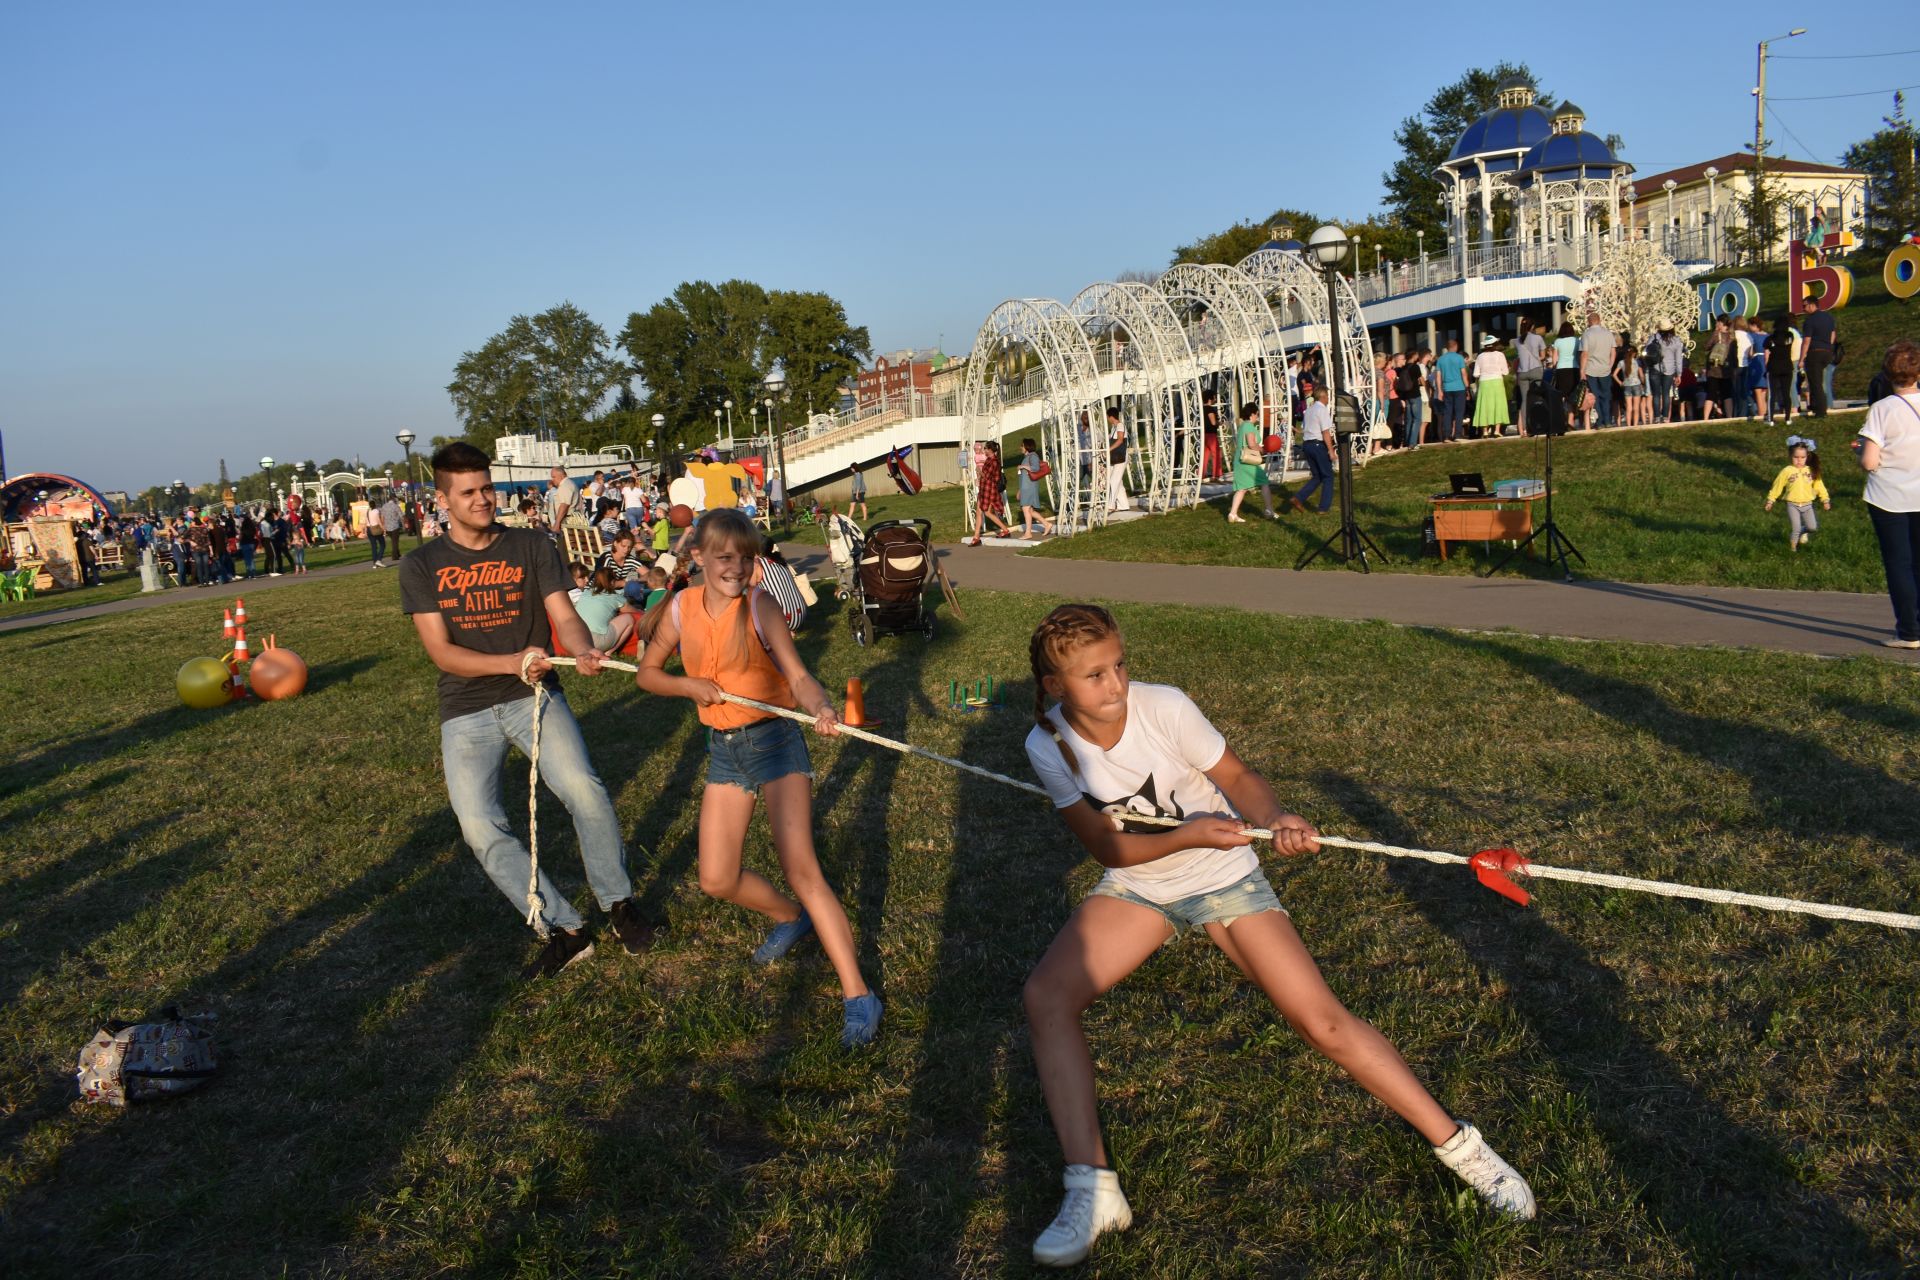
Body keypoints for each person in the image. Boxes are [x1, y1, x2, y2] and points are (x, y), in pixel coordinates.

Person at [1017, 604, 1534, 1266]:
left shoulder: (1164, 707)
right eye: (1094, 676)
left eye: (1119, 665)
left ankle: (1462, 1146)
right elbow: (1110, 851)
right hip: (1143, 884)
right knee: (1046, 998)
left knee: (1322, 1023)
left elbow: (1235, 779)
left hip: (1223, 876)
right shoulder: (1047, 745)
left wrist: (1276, 815)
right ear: (1057, 686)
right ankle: (1091, 1187)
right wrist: (1189, 832)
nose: (1115, 685)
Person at [399, 441, 653, 978]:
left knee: (585, 789)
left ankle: (619, 904)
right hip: (465, 709)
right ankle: (563, 928)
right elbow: (441, 652)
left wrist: (582, 646)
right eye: (468, 492)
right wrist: (511, 660)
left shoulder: (532, 545)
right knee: (479, 829)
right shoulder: (421, 565)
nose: (483, 499)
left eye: (487, 487)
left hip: (534, 698)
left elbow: (564, 615)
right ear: (443, 499)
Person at [634, 508, 883, 1045]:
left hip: (774, 743)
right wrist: (690, 687)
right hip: (724, 750)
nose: (737, 567)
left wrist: (821, 707)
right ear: (697, 556)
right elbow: (648, 675)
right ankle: (791, 919)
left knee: (803, 869)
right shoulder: (679, 607)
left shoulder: (759, 605)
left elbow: (799, 676)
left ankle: (859, 994)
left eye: (746, 559)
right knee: (716, 879)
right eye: (725, 557)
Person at [1854, 340, 1920, 648]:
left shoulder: (1881, 410)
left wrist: (1859, 454)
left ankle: (1909, 632)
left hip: (1889, 497)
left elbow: (1869, 461)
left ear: (1887, 373)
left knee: (1899, 563)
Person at [1765, 436, 1830, 551]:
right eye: (1796, 457)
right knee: (1796, 528)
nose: (1799, 460)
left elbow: (1820, 486)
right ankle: (1793, 549)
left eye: (1802, 457)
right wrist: (1771, 500)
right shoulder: (1787, 471)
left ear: (1807, 457)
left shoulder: (1811, 471)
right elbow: (1777, 486)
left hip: (1807, 505)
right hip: (1792, 505)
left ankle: (1803, 533)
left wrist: (1825, 500)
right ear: (1790, 456)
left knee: (1813, 527)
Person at [1225, 401, 1278, 522]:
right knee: (1264, 482)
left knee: (1242, 488)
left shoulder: (1242, 426)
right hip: (1248, 461)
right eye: (1257, 414)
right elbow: (1252, 444)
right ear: (1252, 414)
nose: (1257, 416)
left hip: (1240, 460)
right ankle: (1269, 510)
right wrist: (1264, 449)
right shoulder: (1249, 426)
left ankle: (1232, 514)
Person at [574, 566, 637, 652]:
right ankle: (611, 651)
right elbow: (634, 612)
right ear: (612, 582)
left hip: (577, 639)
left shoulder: (585, 593)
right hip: (596, 642)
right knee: (629, 618)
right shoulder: (616, 597)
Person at [965, 441, 1018, 545]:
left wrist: (979, 471)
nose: (983, 450)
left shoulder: (994, 461)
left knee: (986, 512)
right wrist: (979, 476)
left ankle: (1004, 530)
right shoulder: (989, 460)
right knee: (980, 511)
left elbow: (987, 476)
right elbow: (984, 475)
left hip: (989, 489)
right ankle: (976, 537)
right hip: (984, 488)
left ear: (990, 450)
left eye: (985, 448)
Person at [1293, 388, 1336, 514]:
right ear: (1323, 396)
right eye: (1327, 396)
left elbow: (1305, 428)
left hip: (1307, 444)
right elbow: (1325, 432)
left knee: (1317, 476)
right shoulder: (1322, 410)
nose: (1328, 399)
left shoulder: (1309, 409)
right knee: (1328, 476)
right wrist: (1331, 450)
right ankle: (1323, 507)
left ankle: (1298, 497)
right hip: (1318, 445)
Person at [1801, 296, 1838, 418]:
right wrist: (1829, 347)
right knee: (1822, 381)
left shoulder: (1809, 321)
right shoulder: (1828, 317)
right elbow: (1833, 334)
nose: (1803, 309)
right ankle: (1816, 406)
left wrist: (1802, 358)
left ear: (1812, 305)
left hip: (1815, 353)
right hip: (1827, 352)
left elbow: (1806, 341)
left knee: (1815, 383)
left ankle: (1820, 411)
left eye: (1804, 306)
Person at [1580, 311, 1616, 429]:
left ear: (1589, 322)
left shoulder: (1586, 334)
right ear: (1599, 320)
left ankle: (1600, 421)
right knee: (1606, 396)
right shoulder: (1608, 333)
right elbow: (1613, 352)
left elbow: (1584, 354)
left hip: (1591, 369)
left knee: (1595, 396)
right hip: (1605, 369)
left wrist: (1582, 371)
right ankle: (1608, 420)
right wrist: (1610, 365)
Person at [1471, 335, 1511, 437]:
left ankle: (1485, 431)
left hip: (1484, 382)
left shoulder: (1480, 357)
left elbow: (1475, 374)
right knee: (1498, 404)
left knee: (1485, 406)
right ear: (1495, 344)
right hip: (1497, 381)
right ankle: (1497, 430)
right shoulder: (1500, 355)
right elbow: (1505, 372)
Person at [1016, 437, 1056, 539]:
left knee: (1026, 509)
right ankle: (1046, 524)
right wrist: (1020, 490)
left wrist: (1023, 466)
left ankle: (1028, 533)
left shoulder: (1033, 456)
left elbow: (1035, 468)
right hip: (1025, 487)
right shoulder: (1026, 457)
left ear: (1027, 446)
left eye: (1022, 445)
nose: (1021, 447)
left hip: (1029, 487)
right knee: (1030, 511)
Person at [1514, 319, 1545, 437]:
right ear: (1532, 326)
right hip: (1535, 369)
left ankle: (1526, 429)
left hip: (1522, 372)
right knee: (1536, 398)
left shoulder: (1517, 341)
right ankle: (1536, 425)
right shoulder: (1538, 338)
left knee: (1524, 400)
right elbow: (1542, 356)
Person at [1434, 338, 1468, 443]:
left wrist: (1439, 390)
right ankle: (1458, 434)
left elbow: (1438, 376)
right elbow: (1464, 374)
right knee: (1459, 412)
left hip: (1447, 388)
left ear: (1447, 348)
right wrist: (1466, 387)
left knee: (1447, 412)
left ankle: (1447, 436)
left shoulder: (1440, 359)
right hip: (1459, 387)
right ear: (1456, 346)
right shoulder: (1459, 358)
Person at [1767, 316, 1799, 425]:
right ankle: (1788, 418)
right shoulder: (1790, 336)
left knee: (1772, 394)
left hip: (1774, 366)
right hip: (1787, 366)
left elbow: (1766, 346)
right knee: (1786, 393)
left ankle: (1770, 419)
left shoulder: (1771, 338)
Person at [1397, 349, 1426, 449]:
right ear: (1413, 356)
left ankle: (1407, 441)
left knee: (1408, 419)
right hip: (1415, 395)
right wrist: (1426, 387)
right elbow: (1421, 379)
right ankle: (1412, 443)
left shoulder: (1403, 368)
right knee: (1417, 419)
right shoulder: (1415, 367)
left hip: (1407, 396)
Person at [1104, 407, 1132, 512]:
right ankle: (1123, 504)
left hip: (1121, 457)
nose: (1107, 418)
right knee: (1118, 482)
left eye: (1107, 416)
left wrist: (1108, 449)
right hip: (1115, 457)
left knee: (1113, 480)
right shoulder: (1114, 427)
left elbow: (1120, 440)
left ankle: (1111, 505)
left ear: (1111, 417)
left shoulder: (1120, 426)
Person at [1613, 337, 1644, 428]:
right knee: (1636, 407)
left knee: (1629, 407)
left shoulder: (1621, 362)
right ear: (1634, 354)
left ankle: (1628, 425)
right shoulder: (1637, 362)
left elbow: (1614, 374)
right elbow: (1641, 375)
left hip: (1626, 385)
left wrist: (1620, 382)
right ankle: (1635, 425)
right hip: (1636, 385)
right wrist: (1643, 383)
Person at [545, 466, 578, 531]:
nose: (552, 479)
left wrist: (557, 524)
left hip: (567, 520)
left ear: (561, 475)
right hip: (569, 519)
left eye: (554, 477)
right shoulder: (569, 483)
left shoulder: (565, 486)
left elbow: (564, 505)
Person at [365, 498, 387, 567]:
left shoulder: (367, 511)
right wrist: (383, 528)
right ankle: (379, 560)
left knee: (374, 547)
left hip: (369, 529)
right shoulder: (376, 511)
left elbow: (366, 522)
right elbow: (379, 521)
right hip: (376, 528)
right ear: (375, 505)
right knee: (382, 544)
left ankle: (374, 563)